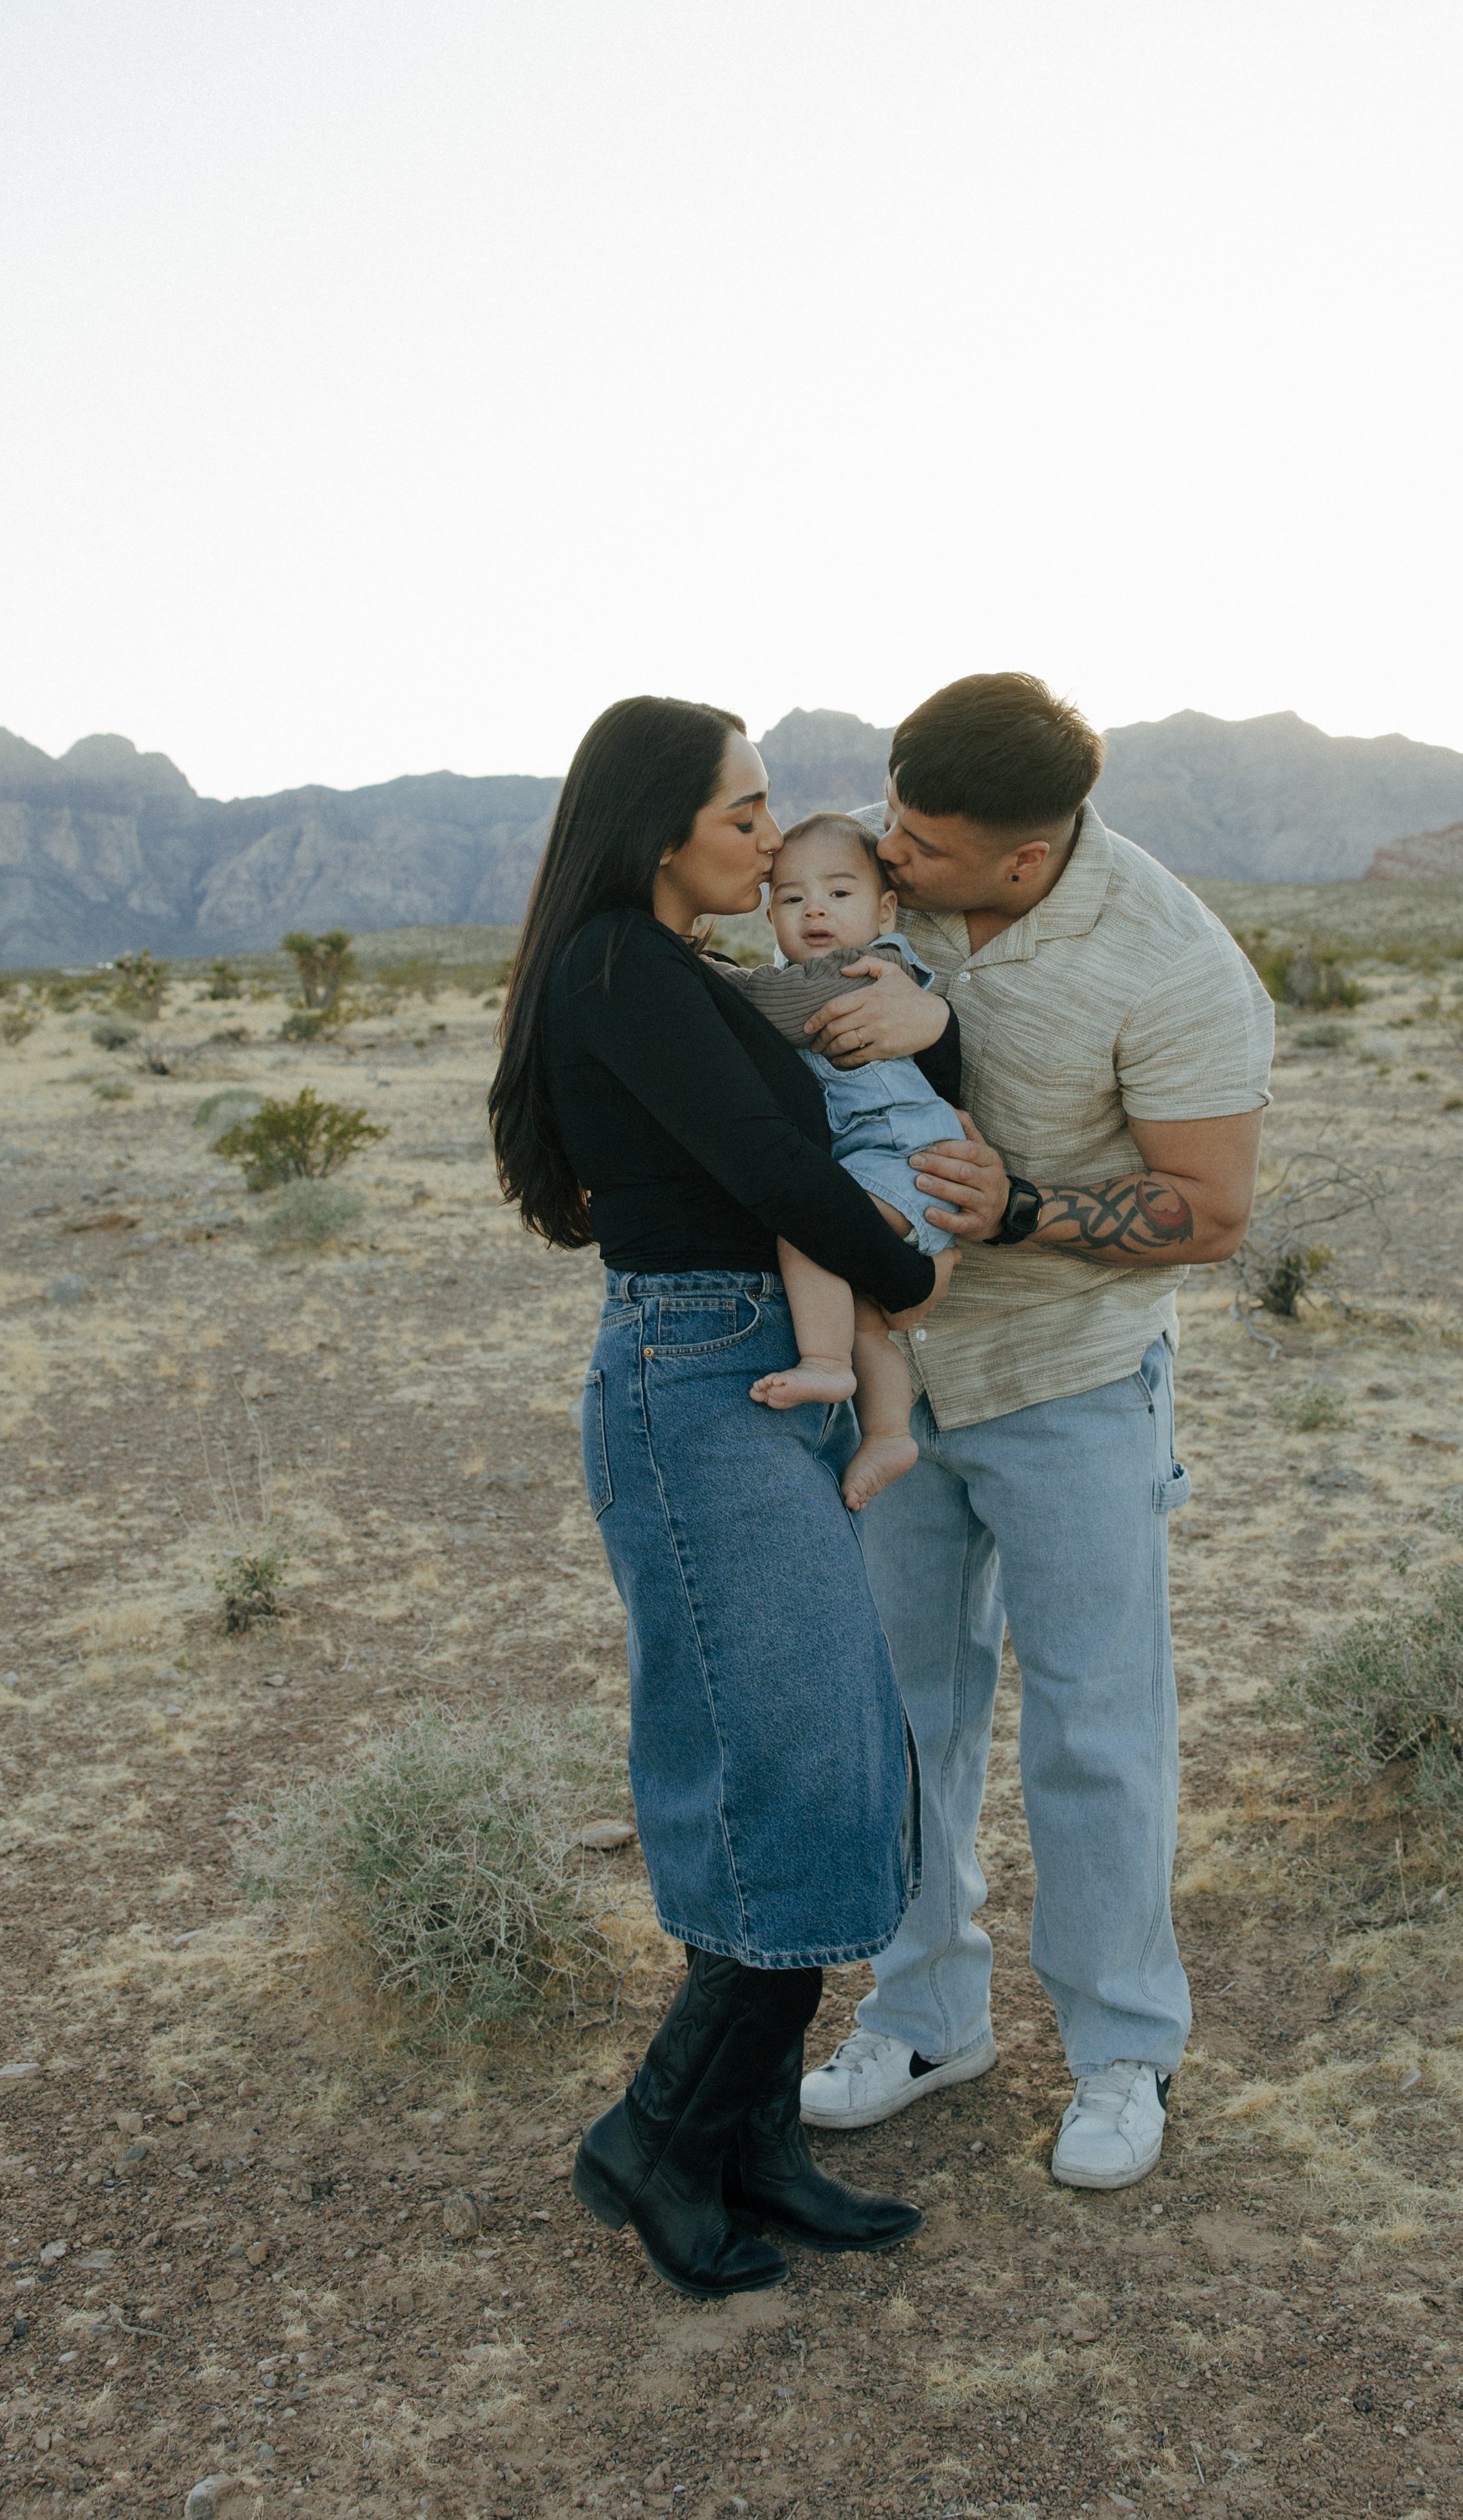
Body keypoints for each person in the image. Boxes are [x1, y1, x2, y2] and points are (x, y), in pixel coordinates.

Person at [487, 695, 965, 2297]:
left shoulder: (668, 970)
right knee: (800, 1769)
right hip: (699, 1383)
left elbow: (837, 1072)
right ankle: (655, 2141)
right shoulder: (619, 962)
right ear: (659, 825)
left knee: (810, 1761)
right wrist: (906, 1269)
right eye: (746, 814)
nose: (774, 841)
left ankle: (753, 2142)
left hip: (758, 1374)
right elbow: (779, 1169)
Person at [792, 671, 1276, 2191]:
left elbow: (1209, 1213)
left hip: (1072, 1379)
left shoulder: (1176, 964)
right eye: (888, 813)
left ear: (1024, 857)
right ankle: (926, 2016)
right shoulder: (883, 884)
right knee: (905, 1720)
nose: (890, 850)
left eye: (921, 842)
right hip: (901, 1383)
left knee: (1096, 1729)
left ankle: (1123, 2050)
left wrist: (1027, 1208)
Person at [723, 813, 965, 1510]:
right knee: (860, 1310)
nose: (815, 910)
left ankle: (826, 1365)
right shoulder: (804, 973)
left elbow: (779, 1005)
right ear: (771, 914)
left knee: (810, 1225)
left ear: (884, 908)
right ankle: (890, 1431)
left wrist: (700, 977)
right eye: (793, 899)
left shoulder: (874, 965)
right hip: (881, 1163)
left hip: (910, 1160)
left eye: (838, 894)